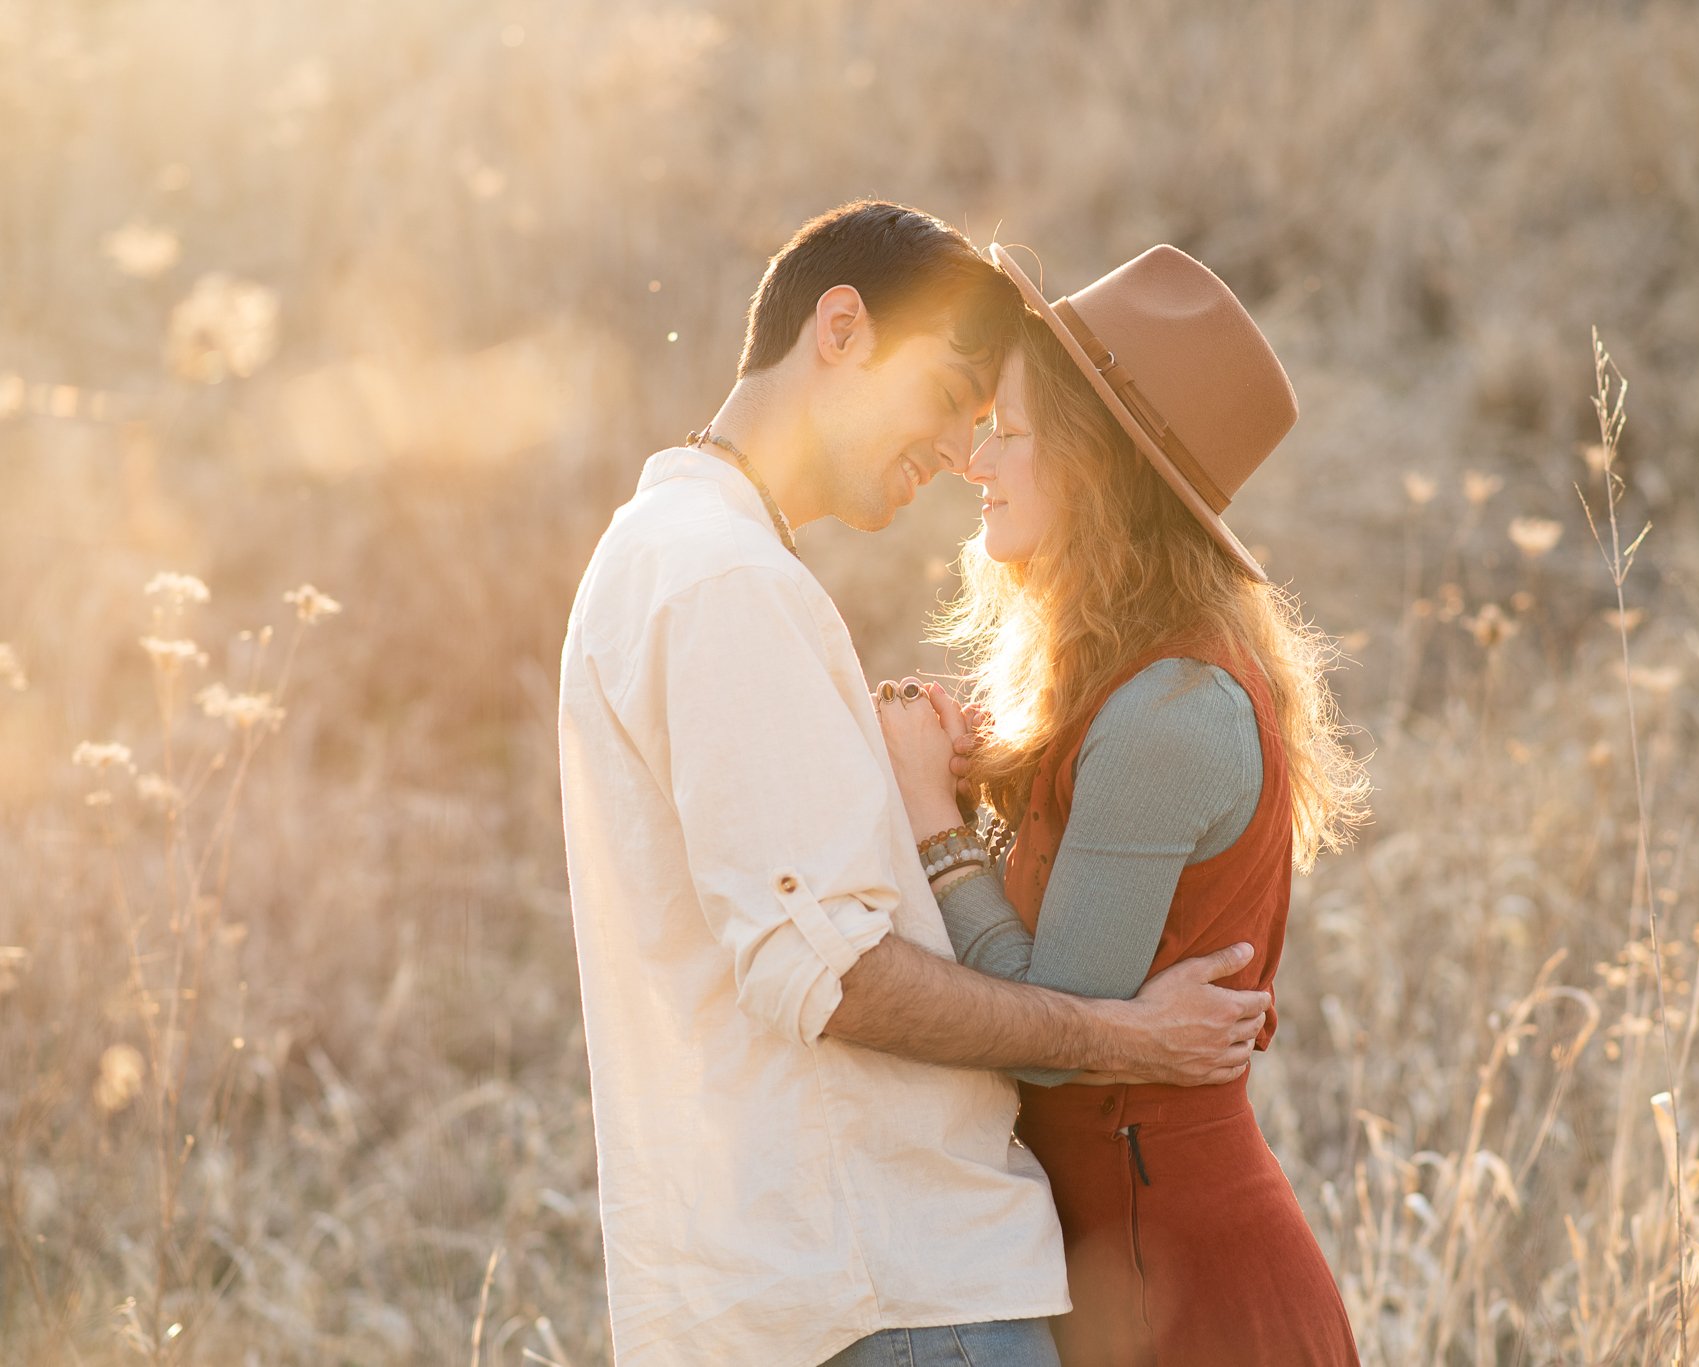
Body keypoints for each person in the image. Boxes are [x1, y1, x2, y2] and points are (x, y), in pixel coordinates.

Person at [556, 203, 1272, 1367]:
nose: (955, 451)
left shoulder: (672, 552)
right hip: (887, 1287)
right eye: (948, 395)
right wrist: (1117, 1033)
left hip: (822, 1282)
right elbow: (835, 975)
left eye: (986, 423)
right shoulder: (719, 578)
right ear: (840, 329)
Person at [874, 244, 1372, 1366]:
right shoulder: (1117, 674)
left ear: (1095, 464)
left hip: (1187, 1287)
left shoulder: (1171, 708)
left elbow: (1050, 1035)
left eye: (1004, 426)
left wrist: (932, 823)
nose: (972, 456)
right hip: (1111, 1265)